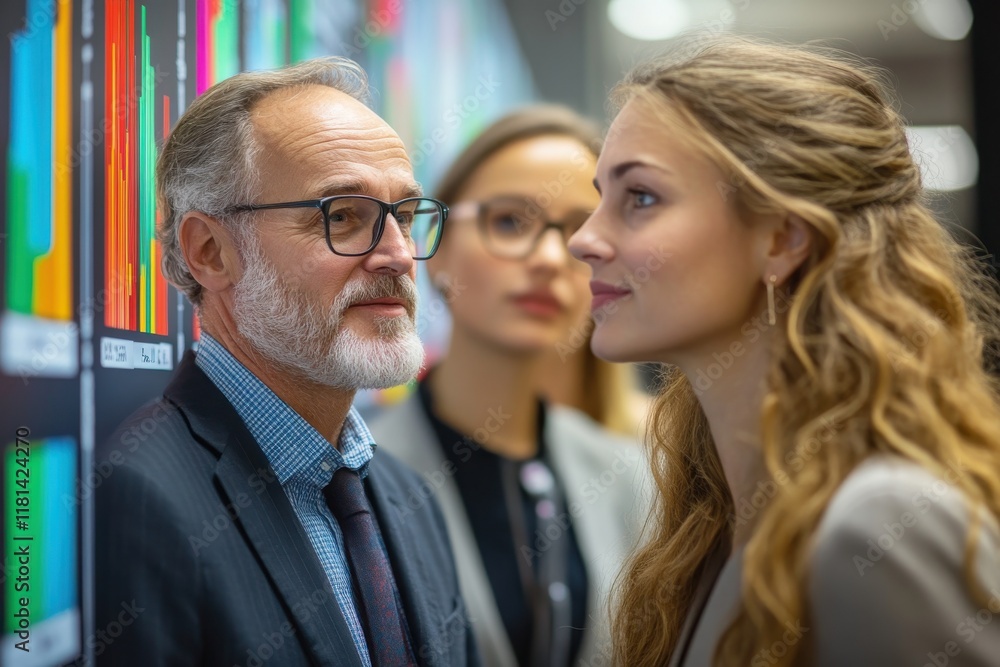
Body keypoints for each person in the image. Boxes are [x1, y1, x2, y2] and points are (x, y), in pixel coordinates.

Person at [567, 36, 1000, 667]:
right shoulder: (705, 530)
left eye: (641, 198)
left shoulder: (880, 525)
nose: (584, 238)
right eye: (601, 195)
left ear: (782, 238)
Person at [94, 57, 477, 667]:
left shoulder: (409, 495)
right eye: (343, 216)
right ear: (211, 253)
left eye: (403, 217)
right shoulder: (142, 499)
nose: (399, 256)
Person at [368, 105, 650, 667]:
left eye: (578, 232)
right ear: (437, 248)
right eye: (509, 222)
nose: (549, 258)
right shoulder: (357, 477)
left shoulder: (637, 482)